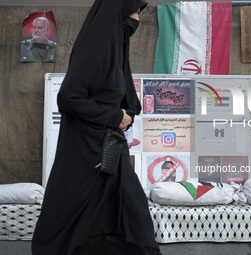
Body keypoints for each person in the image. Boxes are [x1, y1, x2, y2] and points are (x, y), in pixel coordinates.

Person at [31, 0, 162, 254]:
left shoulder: (115, 45)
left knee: (125, 208)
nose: (137, 18)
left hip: (108, 145)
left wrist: (124, 114)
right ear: (118, 11)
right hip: (87, 149)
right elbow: (69, 98)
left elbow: (119, 94)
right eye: (134, 11)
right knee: (84, 208)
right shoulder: (98, 44)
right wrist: (114, 116)